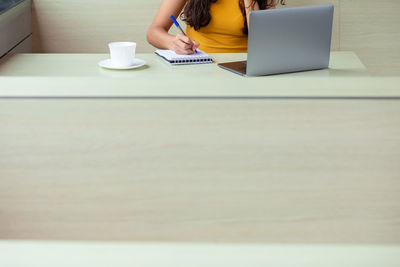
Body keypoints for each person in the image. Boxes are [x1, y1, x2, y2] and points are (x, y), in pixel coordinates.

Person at [147, 0, 285, 54]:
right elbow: (154, 32)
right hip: (199, 65)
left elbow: (266, 43)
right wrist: (173, 43)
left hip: (245, 67)